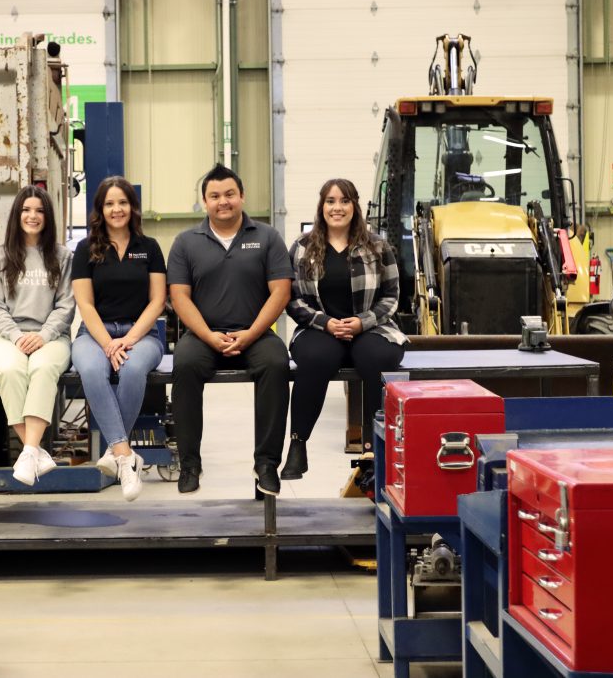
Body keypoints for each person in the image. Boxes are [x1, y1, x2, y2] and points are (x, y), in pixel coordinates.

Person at [167, 164, 293, 495]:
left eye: (229, 194)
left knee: (276, 364)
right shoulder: (185, 242)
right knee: (185, 364)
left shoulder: (267, 237)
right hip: (203, 336)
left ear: (242, 196)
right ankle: (190, 464)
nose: (223, 202)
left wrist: (251, 333)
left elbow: (280, 291)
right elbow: (179, 297)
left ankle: (266, 464)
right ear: (204, 202)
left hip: (256, 334)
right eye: (215, 196)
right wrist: (208, 335)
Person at [283, 178, 407, 480]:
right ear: (321, 206)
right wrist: (324, 322)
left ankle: (372, 451)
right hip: (319, 329)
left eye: (344, 201)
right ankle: (298, 445)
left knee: (375, 358)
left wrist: (362, 321)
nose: (337, 208)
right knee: (315, 358)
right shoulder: (302, 247)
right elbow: (292, 298)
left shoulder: (377, 246)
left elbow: (392, 295)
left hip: (372, 329)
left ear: (355, 206)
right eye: (330, 201)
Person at [70, 176, 167, 501]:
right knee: (92, 369)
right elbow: (84, 303)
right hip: (95, 333)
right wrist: (108, 343)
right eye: (109, 203)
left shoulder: (149, 248)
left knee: (133, 369)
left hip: (142, 335)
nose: (116, 209)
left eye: (122, 202)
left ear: (132, 207)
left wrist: (128, 340)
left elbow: (157, 301)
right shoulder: (86, 249)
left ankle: (115, 452)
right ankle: (126, 457)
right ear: (100, 209)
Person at [0, 185, 75, 486]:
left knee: (42, 367)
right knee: (10, 370)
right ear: (17, 215)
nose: (32, 216)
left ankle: (28, 451)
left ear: (47, 216)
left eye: (39, 210)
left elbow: (66, 304)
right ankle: (34, 451)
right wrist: (16, 336)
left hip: (52, 338)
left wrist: (45, 334)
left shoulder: (62, 257)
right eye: (26, 210)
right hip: (8, 338)